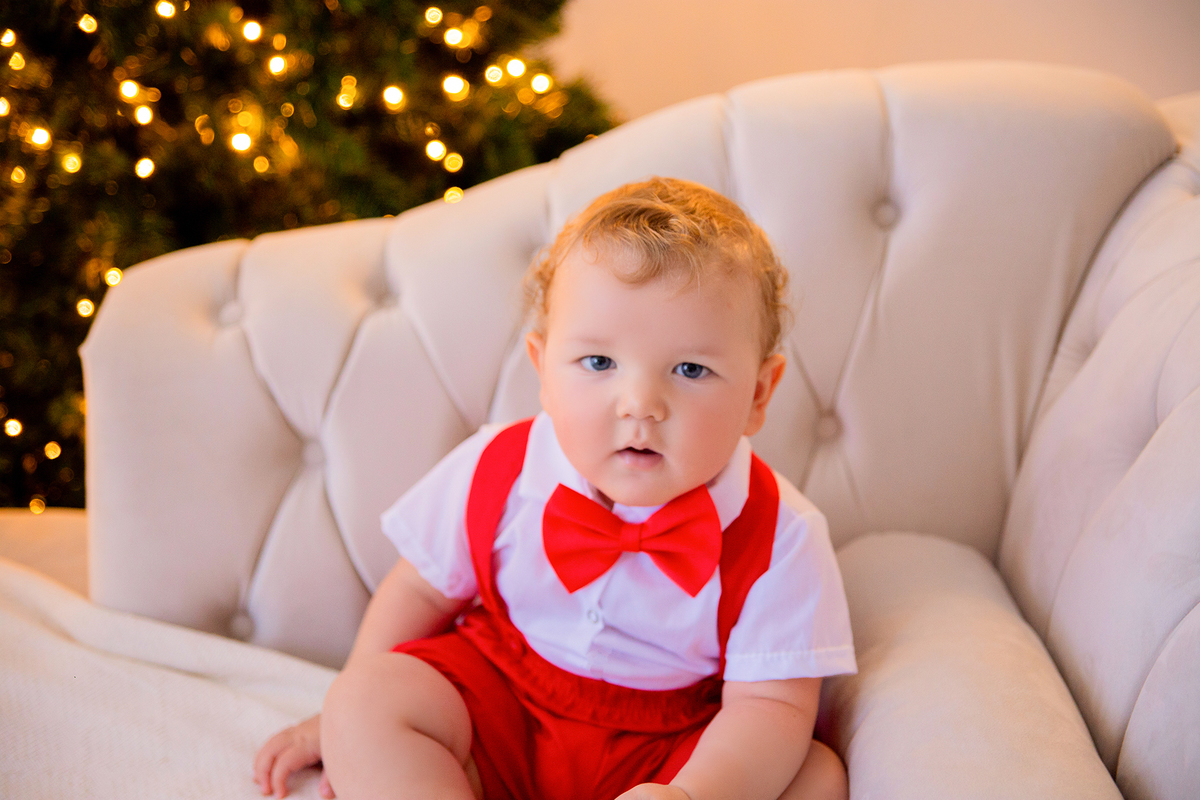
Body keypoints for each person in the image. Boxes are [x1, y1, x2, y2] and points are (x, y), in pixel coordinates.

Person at [254, 177, 857, 800]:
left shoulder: (782, 533)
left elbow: (772, 706)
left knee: (815, 776)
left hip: (671, 750)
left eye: (690, 369)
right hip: (501, 707)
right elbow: (415, 590)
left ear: (758, 394)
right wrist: (337, 723)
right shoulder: (498, 466)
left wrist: (692, 793)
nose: (640, 404)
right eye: (599, 363)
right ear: (543, 369)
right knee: (367, 697)